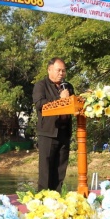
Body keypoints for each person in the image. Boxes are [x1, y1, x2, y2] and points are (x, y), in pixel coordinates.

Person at [33, 58, 75, 191]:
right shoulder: (41, 85)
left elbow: (73, 104)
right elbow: (40, 104)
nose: (61, 73)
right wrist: (59, 99)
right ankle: (43, 198)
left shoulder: (68, 87)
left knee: (60, 168)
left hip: (64, 132)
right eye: (58, 70)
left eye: (64, 71)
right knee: (46, 169)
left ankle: (57, 196)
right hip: (48, 132)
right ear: (49, 70)